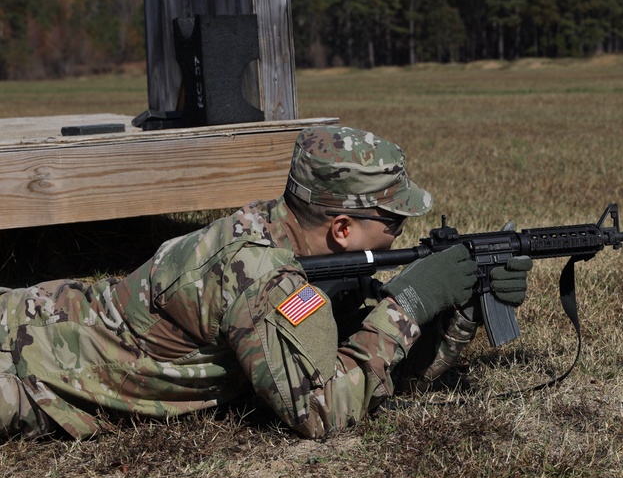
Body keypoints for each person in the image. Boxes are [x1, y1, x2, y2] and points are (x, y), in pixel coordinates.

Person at [0, 126, 532, 441]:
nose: (400, 236)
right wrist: (409, 305)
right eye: (393, 225)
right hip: (30, 368)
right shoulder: (262, 275)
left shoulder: (283, 232)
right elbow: (321, 412)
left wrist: (460, 315)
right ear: (342, 229)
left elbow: (374, 371)